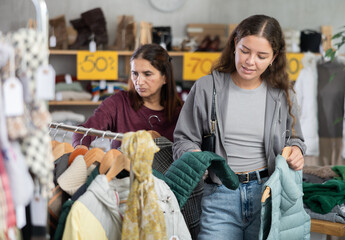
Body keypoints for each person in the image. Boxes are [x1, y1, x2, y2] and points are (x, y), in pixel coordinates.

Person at [172, 14, 306, 239]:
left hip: (267, 194)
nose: (250, 61)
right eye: (245, 50)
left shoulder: (284, 94)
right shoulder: (207, 88)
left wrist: (297, 151)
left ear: (274, 58)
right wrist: (193, 155)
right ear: (235, 44)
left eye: (261, 56)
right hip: (218, 195)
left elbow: (296, 139)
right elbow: (183, 139)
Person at [72, 43, 183, 149]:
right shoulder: (118, 103)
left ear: (165, 77)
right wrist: (80, 149)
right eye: (135, 73)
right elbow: (83, 131)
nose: (139, 81)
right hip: (123, 168)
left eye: (147, 74)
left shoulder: (182, 111)